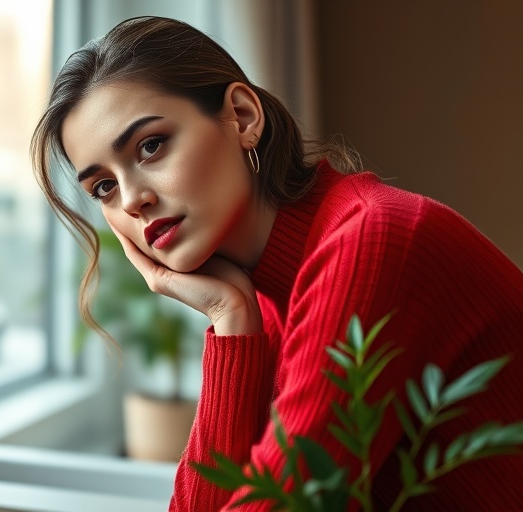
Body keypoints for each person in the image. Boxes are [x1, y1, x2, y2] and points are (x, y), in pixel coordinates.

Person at [31, 16, 523, 512]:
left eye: (151, 146)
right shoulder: (258, 302)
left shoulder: (374, 239)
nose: (133, 199)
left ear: (243, 117)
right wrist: (231, 319)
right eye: (104, 188)